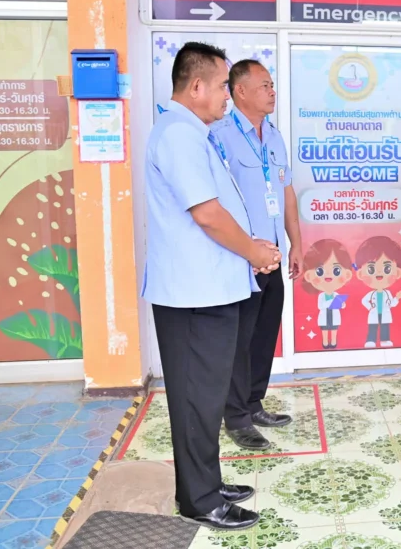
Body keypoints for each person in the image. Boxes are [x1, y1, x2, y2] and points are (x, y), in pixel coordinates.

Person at [142, 42, 281, 530]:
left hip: (207, 291)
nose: (226, 95)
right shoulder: (179, 134)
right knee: (196, 400)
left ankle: (204, 483)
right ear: (197, 85)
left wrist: (252, 245)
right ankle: (200, 500)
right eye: (223, 85)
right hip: (193, 296)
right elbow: (206, 213)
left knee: (204, 397)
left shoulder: (190, 132)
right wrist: (254, 253)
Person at [212, 59, 300, 451]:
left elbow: (286, 192)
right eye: (265, 85)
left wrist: (297, 243)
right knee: (239, 340)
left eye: (272, 84)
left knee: (264, 335)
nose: (272, 91)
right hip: (240, 258)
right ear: (240, 91)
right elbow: (213, 203)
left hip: (272, 256)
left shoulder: (275, 137)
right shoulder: (220, 136)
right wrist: (247, 250)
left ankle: (253, 403)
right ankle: (236, 417)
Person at [300, 239, 353, 349]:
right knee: (324, 330)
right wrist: (332, 302)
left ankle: (333, 343)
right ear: (309, 276)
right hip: (324, 316)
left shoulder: (336, 295)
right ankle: (325, 343)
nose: (328, 274)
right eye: (320, 271)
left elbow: (341, 305)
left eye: (336, 271)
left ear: (347, 275)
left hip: (334, 317)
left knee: (333, 330)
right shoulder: (321, 296)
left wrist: (342, 304)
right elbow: (321, 306)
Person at [355, 236, 401, 348]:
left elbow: (392, 304)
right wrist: (370, 307)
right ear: (360, 274)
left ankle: (385, 340)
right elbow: (364, 301)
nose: (379, 272)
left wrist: (397, 298)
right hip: (374, 312)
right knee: (373, 327)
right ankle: (371, 340)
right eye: (371, 269)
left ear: (397, 273)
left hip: (384, 313)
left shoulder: (387, 294)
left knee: (384, 327)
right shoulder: (371, 294)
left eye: (387, 269)